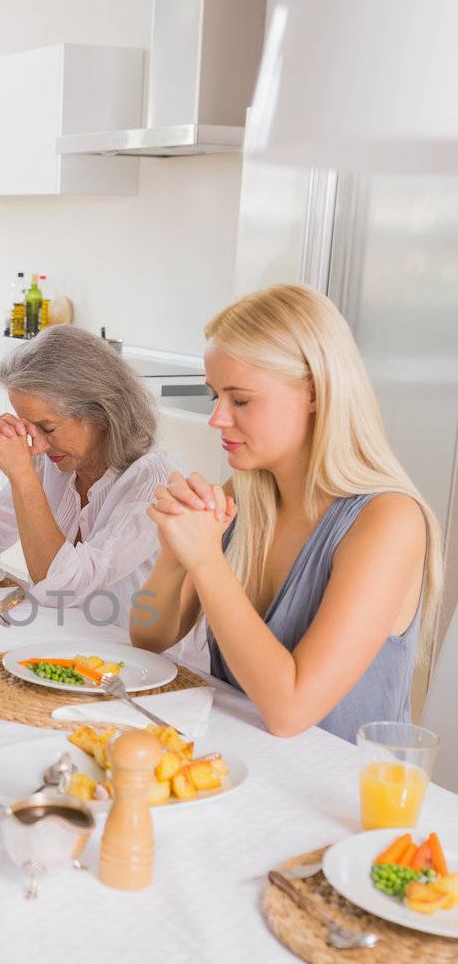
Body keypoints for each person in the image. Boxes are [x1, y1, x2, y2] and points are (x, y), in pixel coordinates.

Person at [130, 284, 441, 741]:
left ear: (315, 393)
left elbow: (290, 712)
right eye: (215, 396)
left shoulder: (387, 521)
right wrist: (174, 555)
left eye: (241, 400)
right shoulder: (248, 492)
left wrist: (206, 559)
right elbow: (150, 637)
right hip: (242, 764)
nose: (218, 418)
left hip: (341, 798)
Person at [0, 324, 180, 625]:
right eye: (28, 428)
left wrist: (22, 476)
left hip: (142, 659)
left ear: (101, 415)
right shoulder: (54, 463)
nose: (36, 443)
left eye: (48, 428)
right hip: (68, 640)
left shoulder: (152, 481)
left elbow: (59, 588)